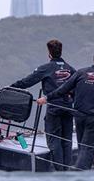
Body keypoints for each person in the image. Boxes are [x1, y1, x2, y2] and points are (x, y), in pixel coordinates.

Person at [38, 49, 94, 170]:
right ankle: (79, 176)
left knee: (82, 147)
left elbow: (63, 89)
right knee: (88, 148)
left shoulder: (80, 73)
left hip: (79, 116)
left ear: (93, 58)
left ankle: (75, 171)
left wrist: (47, 98)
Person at [11, 39, 76, 170]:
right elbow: (77, 87)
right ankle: (66, 171)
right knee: (66, 141)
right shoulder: (71, 69)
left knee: (54, 141)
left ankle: (59, 172)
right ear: (61, 51)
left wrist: (11, 87)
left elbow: (27, 81)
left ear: (49, 53)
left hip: (54, 110)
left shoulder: (45, 68)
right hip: (69, 109)